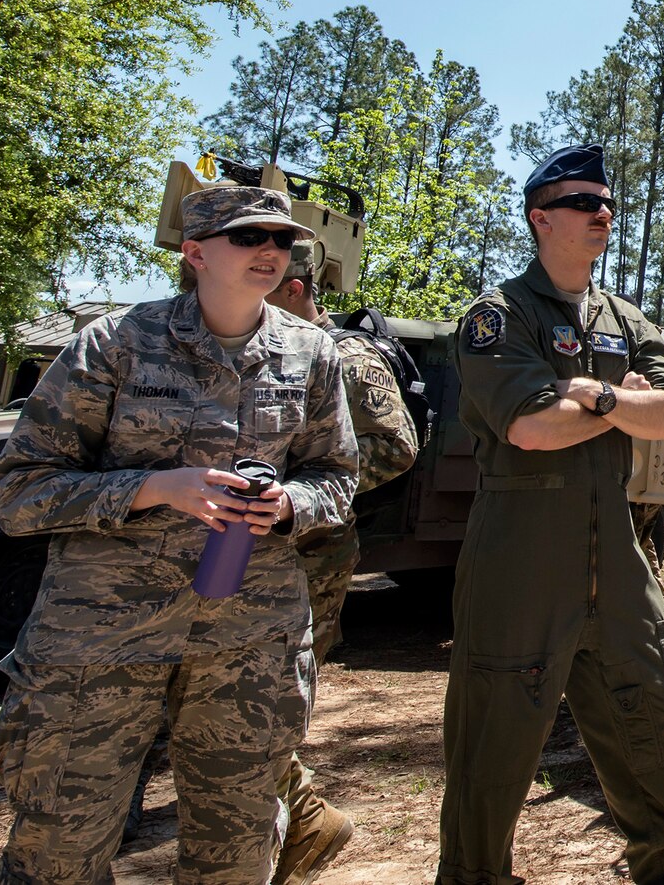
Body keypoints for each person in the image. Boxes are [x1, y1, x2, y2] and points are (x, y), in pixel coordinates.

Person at [0, 185, 358, 885]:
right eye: (249, 237)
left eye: (282, 240)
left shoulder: (313, 353)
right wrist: (155, 488)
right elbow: (17, 490)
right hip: (99, 642)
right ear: (195, 253)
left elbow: (337, 480)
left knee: (236, 856)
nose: (271, 251)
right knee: (56, 857)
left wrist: (286, 503)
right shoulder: (117, 343)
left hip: (248, 646)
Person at [438, 144, 664, 885]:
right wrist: (615, 403)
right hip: (521, 558)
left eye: (607, 204)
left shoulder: (625, 318)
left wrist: (590, 397)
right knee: (494, 746)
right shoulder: (498, 315)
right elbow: (531, 427)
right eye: (582, 203)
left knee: (663, 715)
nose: (602, 213)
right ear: (540, 219)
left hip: (616, 559)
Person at [262, 238, 420, 885]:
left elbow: (399, 446)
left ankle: (304, 818)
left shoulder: (350, 357)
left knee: (268, 695)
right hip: (265, 545)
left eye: (270, 284)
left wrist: (318, 485)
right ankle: (294, 815)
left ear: (297, 288)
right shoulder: (273, 354)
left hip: (316, 551)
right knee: (251, 694)